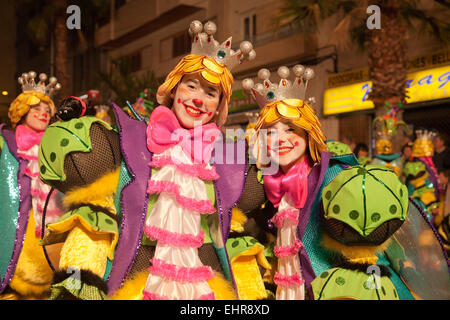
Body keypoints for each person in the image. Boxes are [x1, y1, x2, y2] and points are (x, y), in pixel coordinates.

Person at [38, 20, 274, 300]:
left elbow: (265, 183)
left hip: (203, 283)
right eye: (191, 86)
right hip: (138, 276)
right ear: (174, 89)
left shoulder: (225, 154)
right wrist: (63, 124)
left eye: (210, 93)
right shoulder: (136, 137)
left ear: (218, 107)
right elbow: (78, 158)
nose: (198, 100)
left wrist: (271, 150)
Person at [243, 66, 450, 300]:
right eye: (270, 132)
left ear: (309, 133)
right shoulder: (267, 183)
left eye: (290, 129)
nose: (280, 139)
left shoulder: (334, 175)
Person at [0, 71, 63, 300]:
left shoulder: (56, 143)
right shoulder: (8, 141)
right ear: (23, 111)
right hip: (19, 218)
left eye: (47, 111)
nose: (43, 114)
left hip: (52, 217)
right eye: (36, 109)